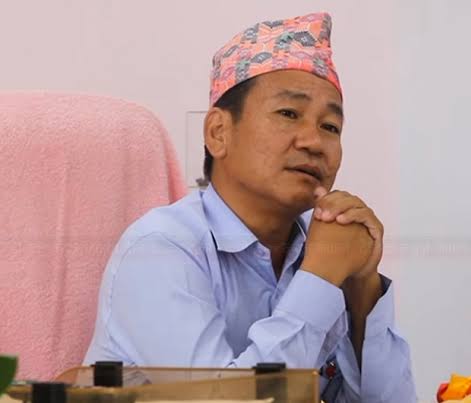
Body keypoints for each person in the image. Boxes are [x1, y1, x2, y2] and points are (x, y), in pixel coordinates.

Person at [84, 12, 416, 402]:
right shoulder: (159, 249)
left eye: (330, 127)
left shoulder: (326, 242)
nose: (313, 142)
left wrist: (363, 288)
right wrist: (321, 278)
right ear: (218, 133)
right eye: (289, 114)